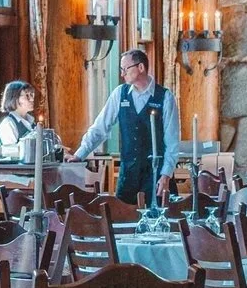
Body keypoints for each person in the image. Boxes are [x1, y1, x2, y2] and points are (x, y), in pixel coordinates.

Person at [73, 49, 176, 205]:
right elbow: (99, 128)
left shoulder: (165, 97)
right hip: (128, 175)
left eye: (125, 69)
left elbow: (172, 142)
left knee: (157, 217)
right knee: (123, 216)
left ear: (140, 67)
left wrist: (166, 175)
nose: (122, 74)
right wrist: (79, 155)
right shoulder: (119, 94)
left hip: (156, 175)